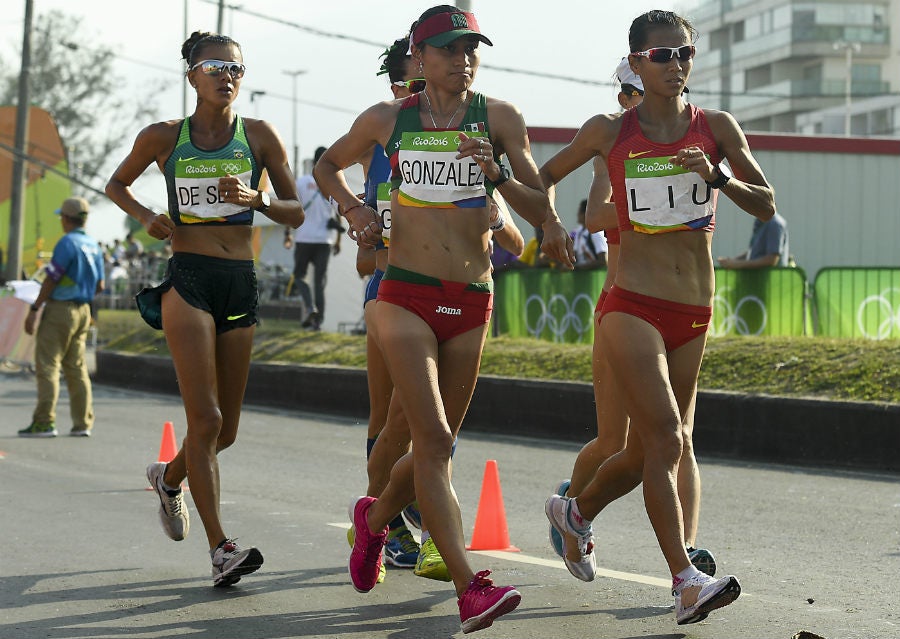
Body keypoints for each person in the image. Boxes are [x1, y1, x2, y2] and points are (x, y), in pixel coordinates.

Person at [314, 5, 573, 633]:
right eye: (450, 49)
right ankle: (470, 586)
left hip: (472, 298)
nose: (464, 59)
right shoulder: (389, 119)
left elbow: (541, 206)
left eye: (472, 48)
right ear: (420, 57)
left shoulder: (501, 118)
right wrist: (355, 212)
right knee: (432, 441)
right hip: (401, 293)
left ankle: (373, 523)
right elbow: (327, 165)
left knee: (437, 443)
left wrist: (496, 173)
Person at [541, 10, 775, 626]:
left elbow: (766, 202)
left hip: (694, 310)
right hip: (631, 304)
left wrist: (718, 177)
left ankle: (576, 511)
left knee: (653, 449)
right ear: (638, 63)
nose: (677, 66)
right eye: (664, 56)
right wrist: (548, 225)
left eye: (685, 55)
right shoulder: (609, 132)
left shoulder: (716, 128)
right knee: (666, 439)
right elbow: (541, 178)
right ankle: (685, 580)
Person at [105, 31, 303, 587]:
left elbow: (295, 213)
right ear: (191, 76)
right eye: (213, 67)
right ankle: (221, 549)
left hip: (239, 282)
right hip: (188, 280)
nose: (226, 76)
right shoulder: (164, 137)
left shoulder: (260, 137)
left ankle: (169, 479)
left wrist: (256, 198)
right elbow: (116, 184)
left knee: (225, 432)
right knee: (207, 420)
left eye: (235, 68)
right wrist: (147, 217)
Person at [543, 56, 715, 581]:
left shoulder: (694, 140)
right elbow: (592, 216)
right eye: (625, 95)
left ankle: (686, 553)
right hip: (624, 306)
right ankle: (570, 516)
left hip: (680, 307)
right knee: (613, 441)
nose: (632, 105)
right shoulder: (612, 149)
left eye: (635, 95)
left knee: (678, 437)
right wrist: (658, 188)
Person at [18, 197, 105, 438]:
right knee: (76, 368)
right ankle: (83, 423)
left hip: (60, 311)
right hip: (83, 310)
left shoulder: (67, 243)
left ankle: (44, 422)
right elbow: (100, 284)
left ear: (66, 219)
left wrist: (35, 309)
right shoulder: (93, 245)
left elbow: (52, 278)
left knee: (48, 365)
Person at [286, 145, 342, 330]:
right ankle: (318, 322)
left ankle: (310, 307)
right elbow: (339, 211)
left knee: (300, 276)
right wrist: (338, 241)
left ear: (313, 162)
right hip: (324, 241)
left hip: (303, 237)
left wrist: (288, 234)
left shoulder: (302, 182)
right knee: (319, 282)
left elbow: (291, 208)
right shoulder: (331, 182)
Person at [717, 211, 789, 269]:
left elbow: (772, 259)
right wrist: (732, 261)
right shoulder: (760, 222)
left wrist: (737, 264)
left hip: (771, 283)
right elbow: (754, 252)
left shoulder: (775, 224)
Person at [570, 198, 608, 269]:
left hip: (598, 278)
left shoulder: (596, 233)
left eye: (579, 212)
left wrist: (577, 267)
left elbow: (603, 261)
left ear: (586, 213)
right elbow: (575, 257)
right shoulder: (579, 232)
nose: (577, 214)